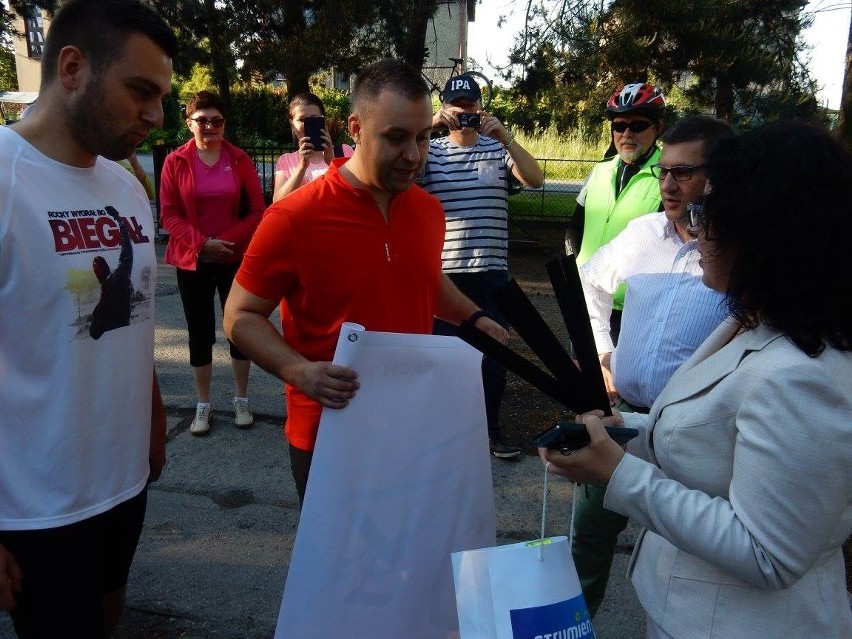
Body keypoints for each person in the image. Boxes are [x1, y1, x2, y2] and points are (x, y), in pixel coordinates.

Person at [542, 121, 852, 639]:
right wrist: (627, 433)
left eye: (712, 211)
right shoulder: (752, 323)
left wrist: (619, 475)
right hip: (688, 612)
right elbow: (716, 438)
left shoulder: (802, 374)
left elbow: (769, 554)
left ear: (769, 232)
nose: (697, 224)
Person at [223, 59, 508, 506]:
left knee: (405, 566)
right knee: (340, 574)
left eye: (422, 137)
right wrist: (296, 371)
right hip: (329, 431)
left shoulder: (428, 211)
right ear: (355, 127)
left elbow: (424, 281)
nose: (413, 154)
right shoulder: (295, 216)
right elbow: (239, 315)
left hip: (412, 425)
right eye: (395, 137)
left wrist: (472, 316)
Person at [0, 0, 175, 636]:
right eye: (140, 92)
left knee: (106, 619)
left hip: (122, 480)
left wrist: (154, 415)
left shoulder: (127, 184)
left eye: (161, 96)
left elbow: (133, 317)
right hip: (33, 505)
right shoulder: (5, 178)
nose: (156, 115)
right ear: (72, 67)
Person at [571, 116, 733, 616]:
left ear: (720, 174)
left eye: (683, 173)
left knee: (685, 559)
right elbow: (591, 282)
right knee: (587, 546)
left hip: (699, 435)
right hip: (623, 424)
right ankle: (575, 628)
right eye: (664, 171)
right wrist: (601, 353)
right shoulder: (642, 233)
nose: (667, 184)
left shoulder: (738, 255)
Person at [421, 74, 544, 459]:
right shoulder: (432, 150)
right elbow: (404, 179)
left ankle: (491, 431)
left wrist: (506, 137)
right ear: (445, 107)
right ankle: (443, 433)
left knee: (494, 358)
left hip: (491, 273)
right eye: (456, 105)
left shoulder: (496, 149)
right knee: (444, 358)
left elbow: (537, 179)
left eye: (470, 105)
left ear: (481, 108)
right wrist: (429, 129)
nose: (464, 112)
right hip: (446, 275)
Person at [159, 90, 265, 436]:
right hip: (193, 260)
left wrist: (226, 244)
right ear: (189, 123)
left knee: (238, 329)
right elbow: (169, 215)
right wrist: (202, 244)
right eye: (202, 120)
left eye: (216, 120)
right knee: (199, 333)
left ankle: (241, 399)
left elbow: (256, 211)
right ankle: (203, 404)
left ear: (224, 124)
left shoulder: (239, 159)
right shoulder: (176, 162)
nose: (209, 126)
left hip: (233, 258)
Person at [566, 83, 666, 340]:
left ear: (658, 129)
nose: (627, 133)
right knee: (581, 377)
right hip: (587, 303)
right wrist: (575, 275)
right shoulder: (600, 171)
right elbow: (574, 228)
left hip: (634, 310)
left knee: (619, 381)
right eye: (619, 126)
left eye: (638, 126)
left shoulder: (668, 177)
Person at [271, 92, 354, 202]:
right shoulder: (285, 160)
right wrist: (302, 167)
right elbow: (277, 202)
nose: (307, 125)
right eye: (302, 120)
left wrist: (332, 162)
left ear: (323, 121)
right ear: (292, 124)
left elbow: (356, 192)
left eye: (314, 119)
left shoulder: (344, 151)